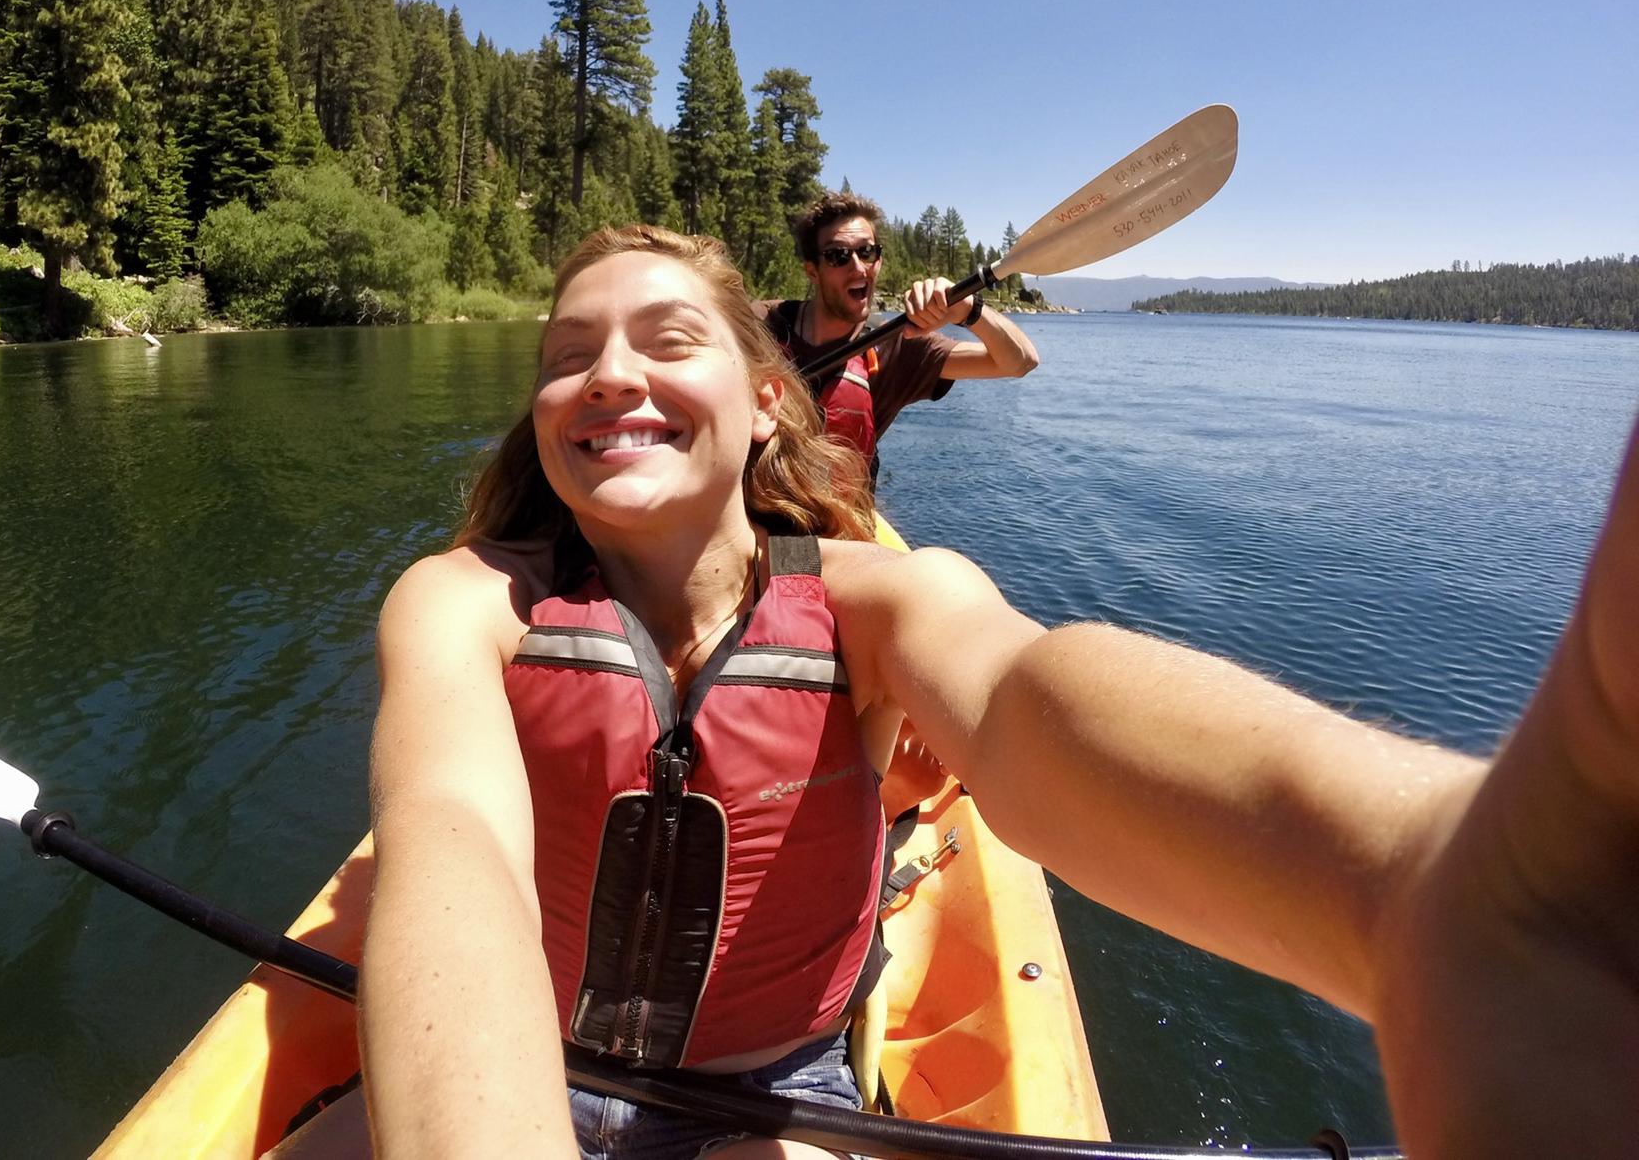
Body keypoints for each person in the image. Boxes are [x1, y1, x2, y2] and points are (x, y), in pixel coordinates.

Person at [324, 224, 1636, 1160]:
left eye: (667, 339)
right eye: (569, 354)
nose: (607, 373)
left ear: (769, 405)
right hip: (508, 1064)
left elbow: (1023, 704)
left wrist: (1409, 882)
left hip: (763, 1105)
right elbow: (450, 838)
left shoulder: (883, 598)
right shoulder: (458, 602)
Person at [757, 192, 1039, 481]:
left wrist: (968, 310)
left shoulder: (898, 347)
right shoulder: (759, 325)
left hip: (836, 519)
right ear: (812, 271)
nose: (858, 267)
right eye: (838, 256)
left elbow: (1020, 362)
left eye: (867, 252)